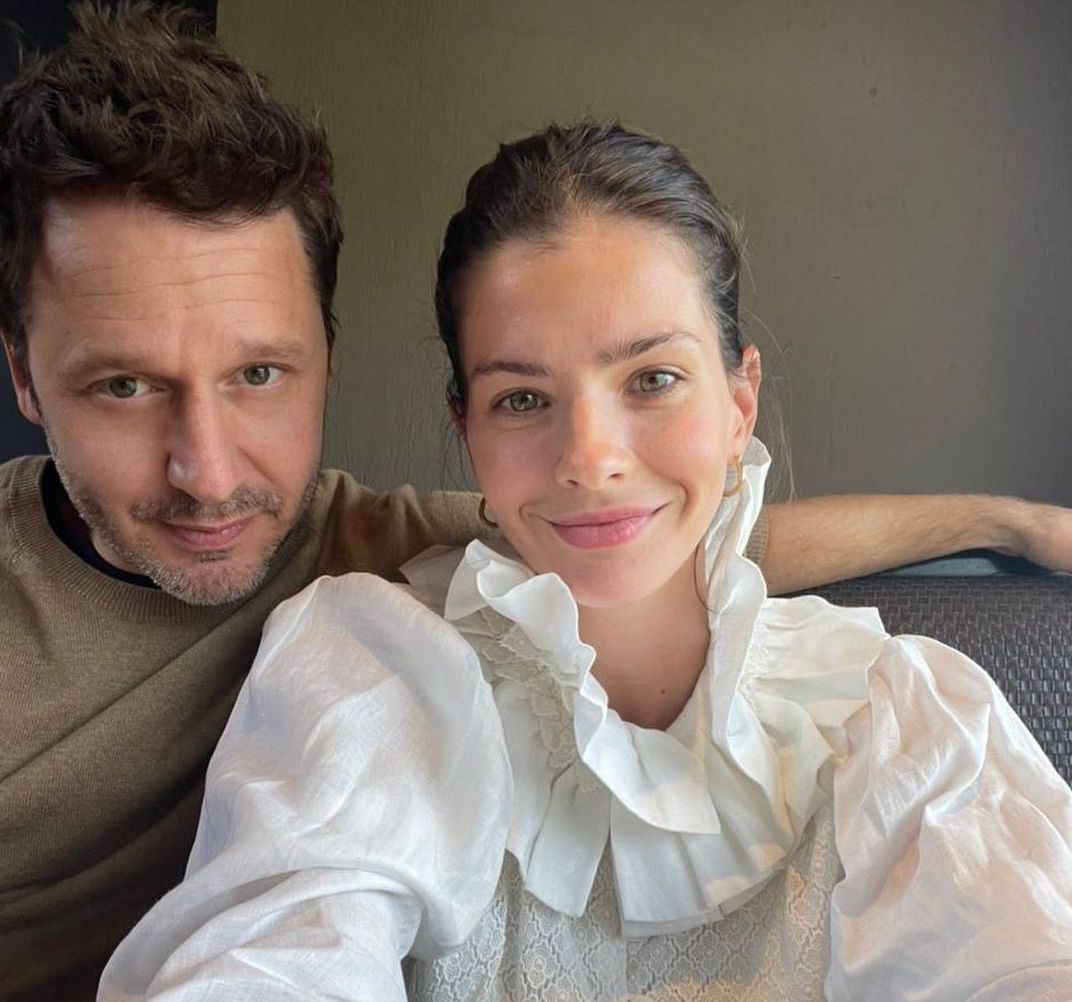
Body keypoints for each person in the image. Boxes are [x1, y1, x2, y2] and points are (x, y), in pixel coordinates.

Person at [1, 5, 1069, 999]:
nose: (207, 471)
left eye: (259, 373)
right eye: (123, 386)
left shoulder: (406, 549)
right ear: (22, 377)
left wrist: (1011, 524)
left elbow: (691, 547)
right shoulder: (382, 653)